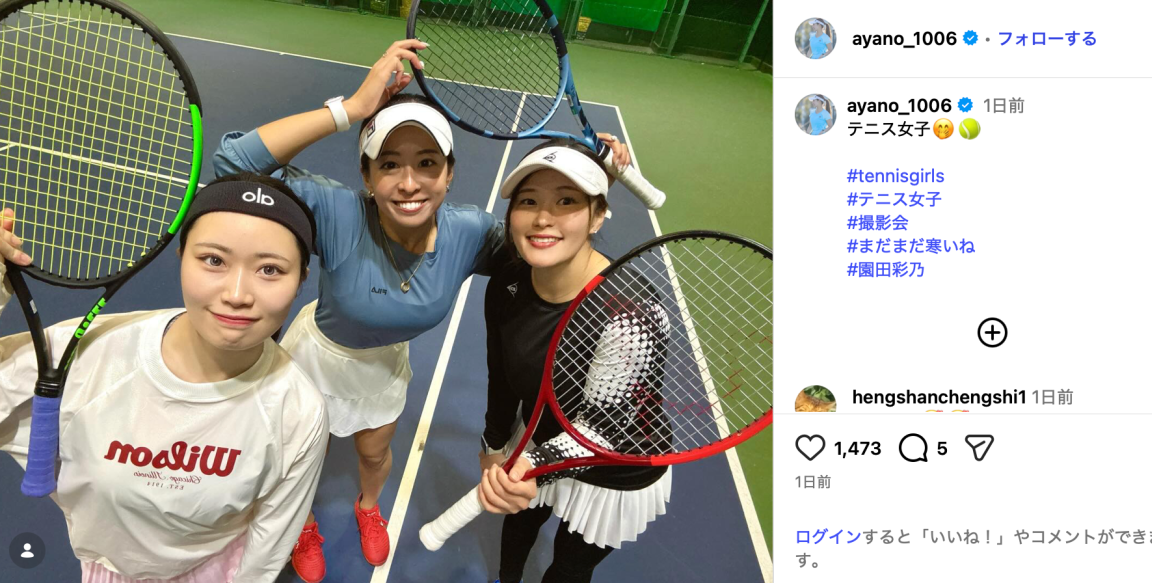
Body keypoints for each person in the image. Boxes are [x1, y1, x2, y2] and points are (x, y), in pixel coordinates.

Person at [211, 39, 633, 581]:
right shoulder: (338, 212)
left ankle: (368, 508)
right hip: (316, 355)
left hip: (381, 367)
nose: (409, 182)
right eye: (389, 164)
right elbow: (233, 164)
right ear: (368, 177)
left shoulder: (470, 234)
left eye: (427, 164)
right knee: (296, 458)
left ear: (449, 174)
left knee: (373, 454)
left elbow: (547, 240)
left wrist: (587, 178)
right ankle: (303, 523)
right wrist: (352, 109)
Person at [0, 174, 328, 583]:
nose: (237, 294)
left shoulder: (299, 411)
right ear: (181, 256)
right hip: (110, 569)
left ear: (301, 281)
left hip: (215, 568)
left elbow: (269, 544)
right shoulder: (83, 356)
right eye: (214, 260)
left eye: (270, 269)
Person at [476, 140, 670, 583]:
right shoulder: (508, 280)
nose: (543, 218)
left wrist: (530, 467)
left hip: (616, 463)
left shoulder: (631, 312)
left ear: (598, 215)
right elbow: (500, 376)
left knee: (570, 567)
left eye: (567, 201)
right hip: (542, 435)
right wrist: (493, 446)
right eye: (528, 201)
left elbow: (604, 427)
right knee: (518, 525)